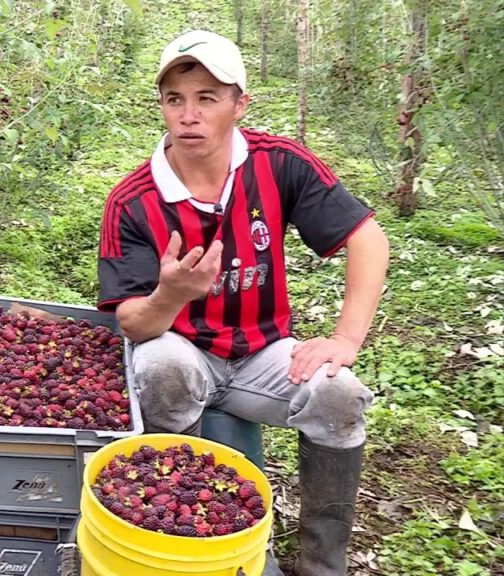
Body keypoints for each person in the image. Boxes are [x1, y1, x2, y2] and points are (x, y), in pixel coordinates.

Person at [96, 30, 390, 576]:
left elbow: (367, 238)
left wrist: (346, 338)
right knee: (161, 368)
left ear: (239, 104)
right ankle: (189, 531)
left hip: (263, 353)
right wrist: (172, 294)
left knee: (340, 396)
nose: (188, 116)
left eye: (207, 98)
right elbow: (132, 323)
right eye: (175, 99)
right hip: (183, 349)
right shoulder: (133, 201)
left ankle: (323, 563)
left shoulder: (278, 164)